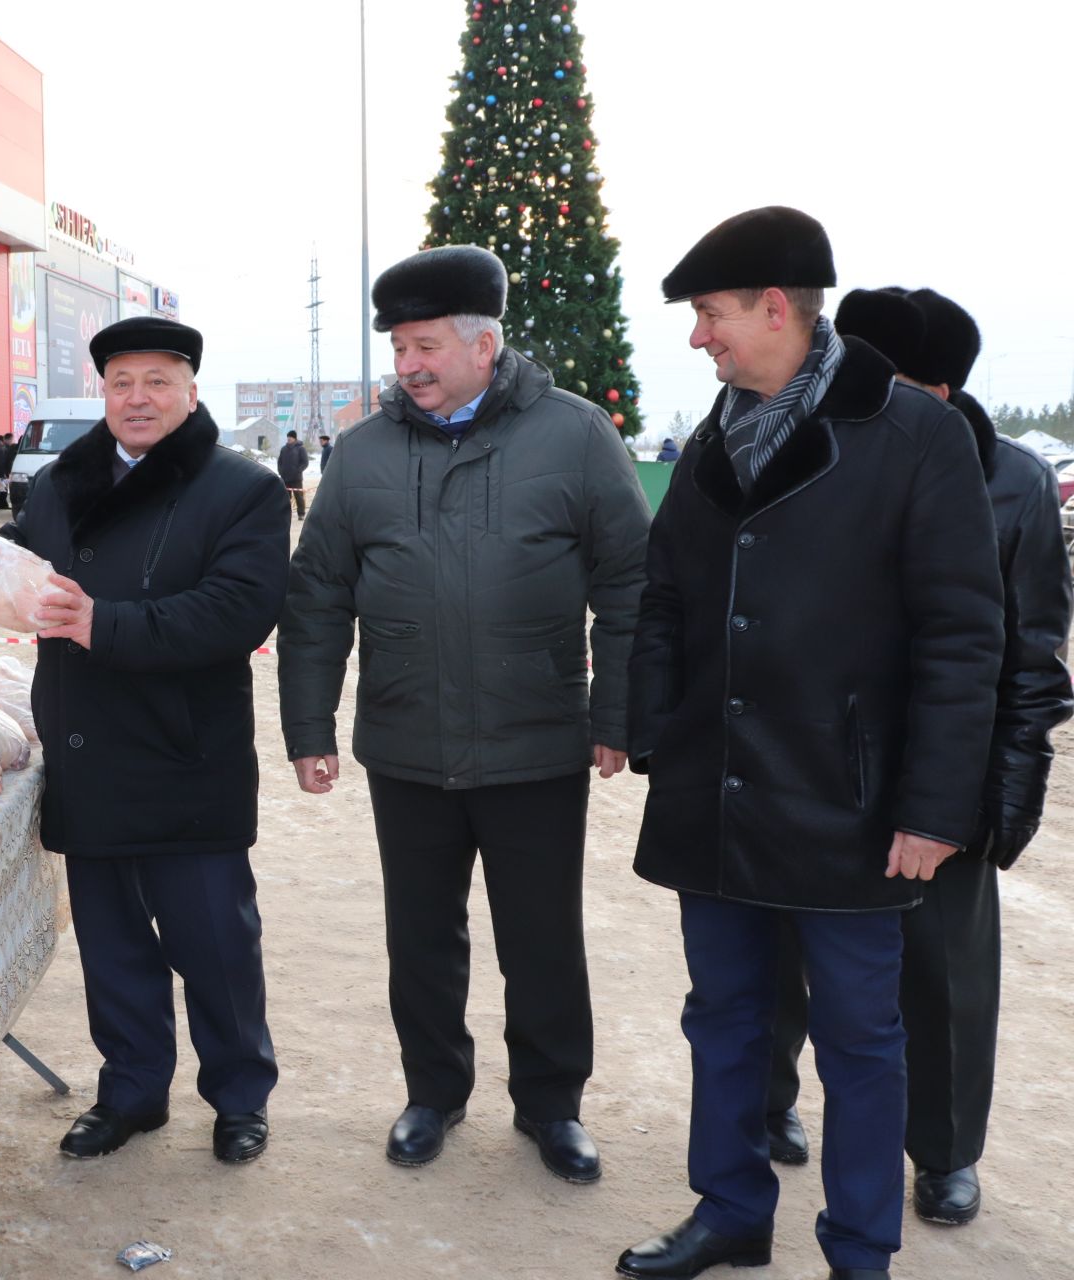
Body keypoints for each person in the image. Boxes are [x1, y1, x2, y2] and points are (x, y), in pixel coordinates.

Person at [617, 208, 1005, 1280]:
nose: (700, 337)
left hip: (852, 800)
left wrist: (934, 807)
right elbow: (664, 593)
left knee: (861, 1040)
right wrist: (655, 726)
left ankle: (860, 1247)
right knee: (726, 1020)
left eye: (710, 315)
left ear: (776, 308)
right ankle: (731, 1209)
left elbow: (965, 635)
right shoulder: (716, 431)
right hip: (719, 794)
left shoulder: (913, 435)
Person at [0, 315, 289, 1165]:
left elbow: (237, 611)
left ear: (190, 390)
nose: (138, 399)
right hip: (90, 750)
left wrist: (106, 624)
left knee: (216, 945)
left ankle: (239, 1096)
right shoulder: (65, 482)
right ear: (104, 391)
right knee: (114, 948)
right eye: (122, 383)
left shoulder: (240, 488)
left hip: (186, 755)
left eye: (157, 382)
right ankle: (131, 1092)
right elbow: (7, 579)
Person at [280, 244, 649, 1184]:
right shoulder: (361, 455)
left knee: (542, 936)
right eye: (400, 346)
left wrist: (619, 712)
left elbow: (631, 583)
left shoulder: (575, 436)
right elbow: (318, 596)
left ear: (485, 344)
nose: (408, 364)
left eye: (426, 345)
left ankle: (552, 1105)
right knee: (421, 935)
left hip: (536, 742)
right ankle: (433, 1092)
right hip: (406, 741)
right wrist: (310, 729)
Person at [762, 286, 1073, 1227]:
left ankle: (942, 1152)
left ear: (936, 391)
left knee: (942, 980)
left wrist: (996, 812)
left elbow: (1029, 663)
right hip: (814, 764)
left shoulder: (1010, 483)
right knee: (778, 951)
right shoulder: (798, 447)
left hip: (941, 779)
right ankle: (772, 1103)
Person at [276, 429, 308, 516]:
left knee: (299, 496)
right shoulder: (284, 449)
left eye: (290, 437)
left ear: (294, 438)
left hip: (296, 478)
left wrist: (298, 471)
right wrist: (280, 471)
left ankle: (301, 513)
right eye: (288, 437)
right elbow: (280, 461)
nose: (289, 439)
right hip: (285, 478)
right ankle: (286, 514)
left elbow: (305, 462)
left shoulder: (300, 448)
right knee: (286, 497)